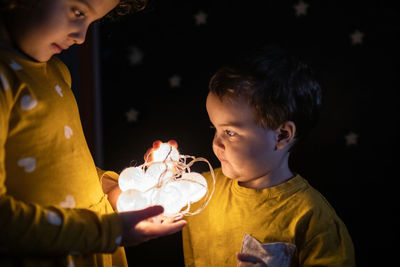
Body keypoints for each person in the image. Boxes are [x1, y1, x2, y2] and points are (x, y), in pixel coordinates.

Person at [0, 0, 186, 266]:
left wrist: (115, 190)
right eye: (78, 12)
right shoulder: (5, 80)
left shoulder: (56, 72)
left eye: (91, 22)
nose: (81, 36)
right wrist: (109, 231)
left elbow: (63, 167)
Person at [182, 45, 355, 267]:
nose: (216, 143)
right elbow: (141, 204)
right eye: (214, 128)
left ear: (282, 135)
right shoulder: (199, 190)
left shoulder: (312, 218)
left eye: (230, 132)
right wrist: (155, 174)